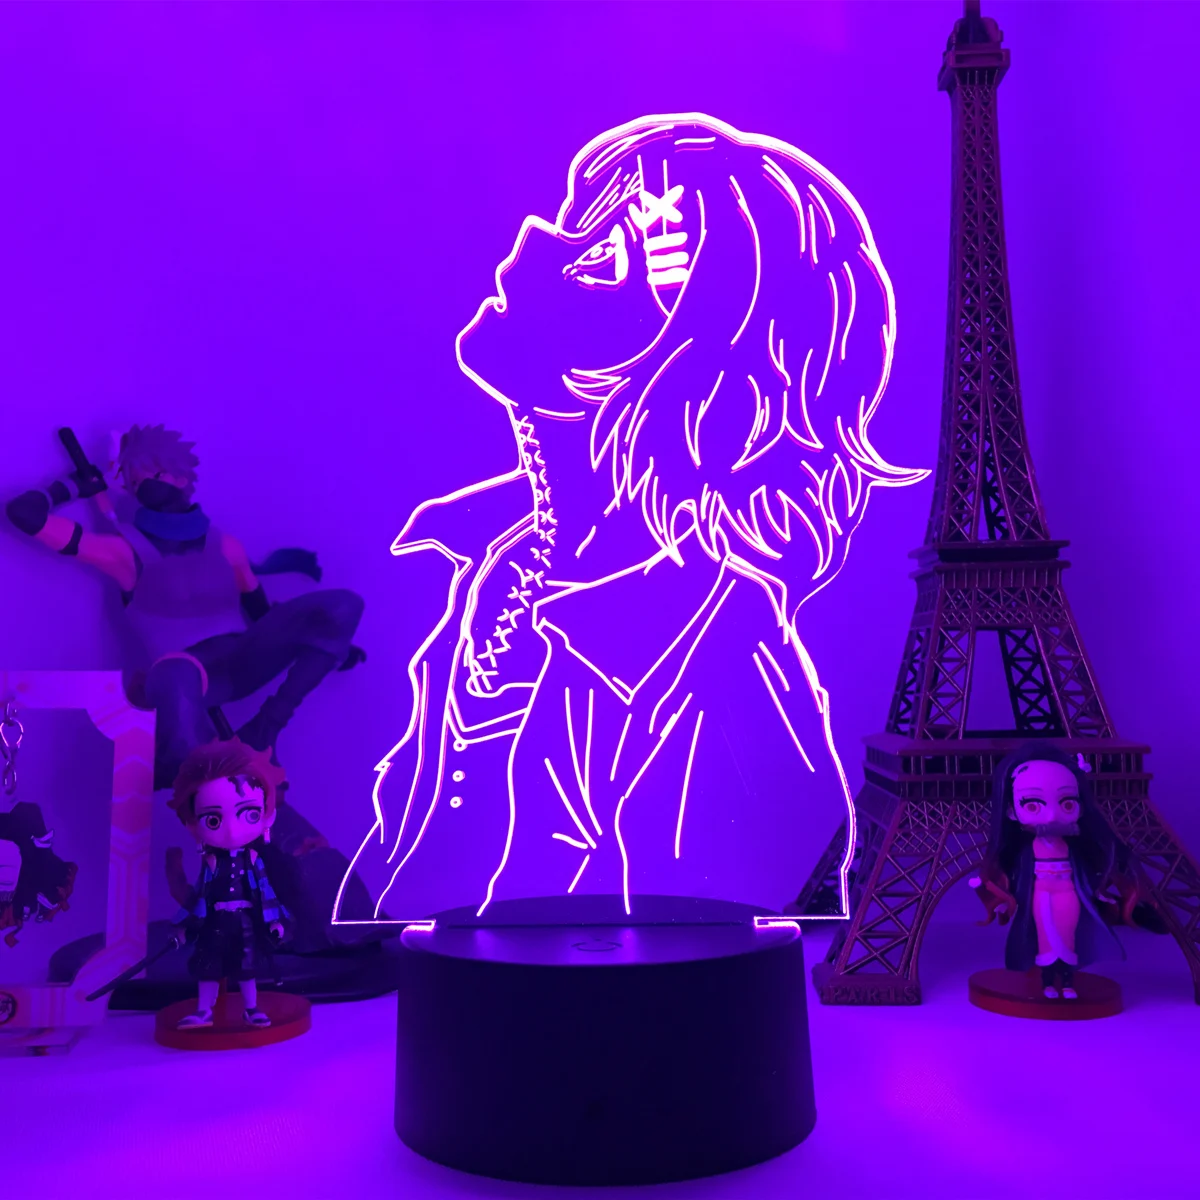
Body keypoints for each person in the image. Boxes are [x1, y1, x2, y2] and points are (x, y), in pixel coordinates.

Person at [338, 113, 928, 925]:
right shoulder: (498, 568)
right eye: (577, 232)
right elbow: (407, 851)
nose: (527, 248)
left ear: (695, 374)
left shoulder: (719, 660)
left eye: (603, 261)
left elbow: (709, 948)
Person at [5, 425, 364, 790]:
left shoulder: (226, 546)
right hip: (186, 675)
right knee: (173, 676)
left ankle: (264, 730)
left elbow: (262, 615)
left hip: (245, 656)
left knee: (342, 606)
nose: (146, 485)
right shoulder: (122, 553)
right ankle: (195, 771)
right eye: (135, 481)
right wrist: (70, 487)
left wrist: (327, 640)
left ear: (181, 476)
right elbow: (25, 513)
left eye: (156, 474)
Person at [970, 744, 1164, 999]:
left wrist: (1100, 889)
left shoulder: (1073, 848)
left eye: (1068, 803)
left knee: (1067, 934)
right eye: (1032, 805)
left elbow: (1089, 871)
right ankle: (1048, 982)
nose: (1052, 816)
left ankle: (1068, 981)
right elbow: (1009, 877)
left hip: (1067, 890)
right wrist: (996, 893)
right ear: (1010, 811)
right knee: (1045, 936)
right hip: (1040, 891)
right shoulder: (1025, 852)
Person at [168, 738, 287, 1029]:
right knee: (208, 965)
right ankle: (203, 1011)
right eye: (213, 820)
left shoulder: (254, 860)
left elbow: (266, 891)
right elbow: (199, 896)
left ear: (268, 816)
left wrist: (274, 920)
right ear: (192, 824)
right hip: (215, 921)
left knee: (246, 966)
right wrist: (184, 925)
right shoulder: (211, 863)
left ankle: (251, 1008)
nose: (232, 831)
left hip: (244, 920)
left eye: (250, 814)